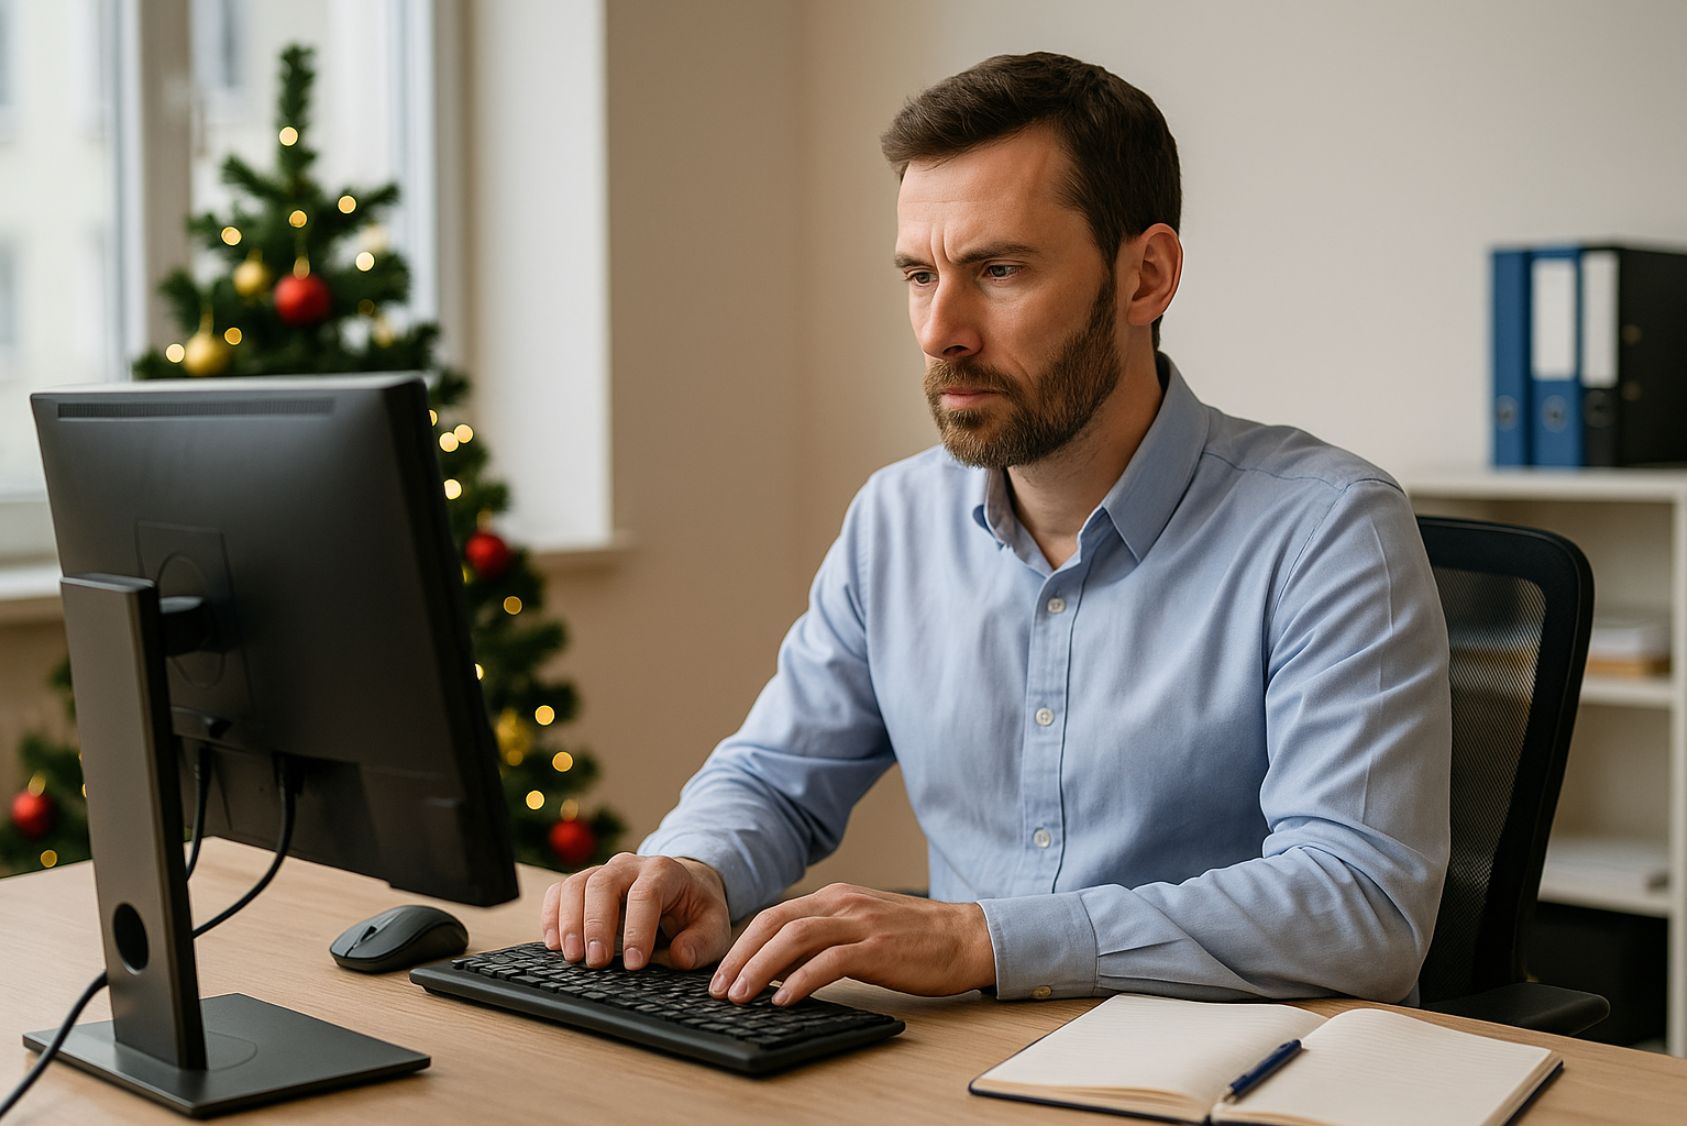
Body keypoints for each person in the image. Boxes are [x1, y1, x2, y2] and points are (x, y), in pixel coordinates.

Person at [539, 51, 1451, 1009]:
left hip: (1221, 1080)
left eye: (998, 269)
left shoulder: (1328, 529)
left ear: (1145, 277)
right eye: (918, 274)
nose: (941, 331)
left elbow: (1360, 908)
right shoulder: (894, 520)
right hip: (960, 1072)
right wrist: (695, 865)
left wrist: (985, 939)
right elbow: (775, 775)